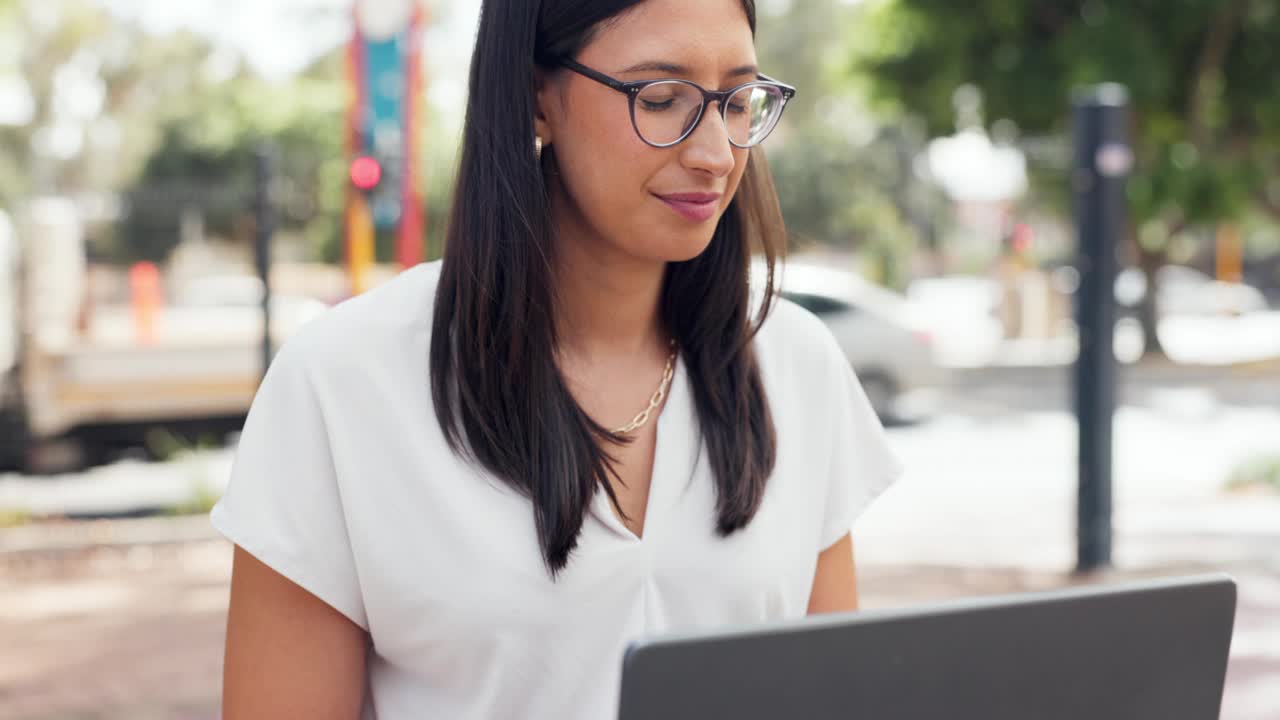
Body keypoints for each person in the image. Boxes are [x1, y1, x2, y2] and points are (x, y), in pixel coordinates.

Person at [214, 0, 903, 717]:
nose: (716, 154)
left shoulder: (797, 365)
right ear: (539, 95)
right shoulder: (344, 383)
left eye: (736, 101)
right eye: (662, 99)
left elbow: (834, 693)